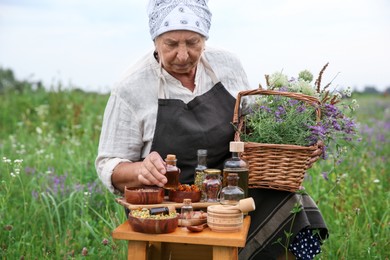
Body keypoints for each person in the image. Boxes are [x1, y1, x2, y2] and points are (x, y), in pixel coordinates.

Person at [95, 1, 328, 259]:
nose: (183, 55)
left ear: (205, 39)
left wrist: (300, 144)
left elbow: (250, 129)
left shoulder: (227, 65)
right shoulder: (130, 88)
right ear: (154, 41)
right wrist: (141, 170)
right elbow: (109, 165)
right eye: (171, 44)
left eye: (193, 43)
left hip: (230, 192)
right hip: (170, 205)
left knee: (290, 203)